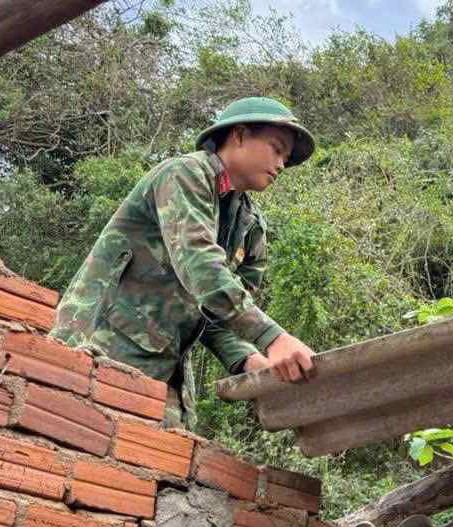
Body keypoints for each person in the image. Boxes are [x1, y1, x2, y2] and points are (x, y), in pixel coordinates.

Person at [51, 96, 317, 429]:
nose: (280, 164)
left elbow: (218, 314)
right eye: (277, 149)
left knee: (165, 467)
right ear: (239, 135)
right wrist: (273, 338)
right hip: (97, 347)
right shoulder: (185, 174)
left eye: (286, 158)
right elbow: (200, 263)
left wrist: (250, 361)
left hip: (163, 367)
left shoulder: (250, 228)